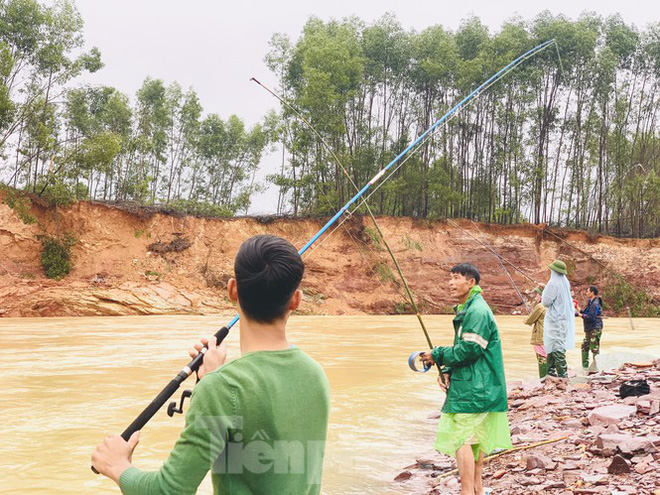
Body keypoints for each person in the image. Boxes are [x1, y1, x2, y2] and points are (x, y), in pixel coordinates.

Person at [92, 235, 330, 494]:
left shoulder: (222, 389)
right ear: (296, 300)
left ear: (232, 290)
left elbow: (169, 490)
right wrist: (212, 379)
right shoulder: (315, 374)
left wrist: (118, 466)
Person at [420, 263, 511, 495]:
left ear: (470, 283)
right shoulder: (471, 308)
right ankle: (477, 489)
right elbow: (468, 349)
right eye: (449, 278)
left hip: (474, 388)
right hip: (481, 384)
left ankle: (466, 492)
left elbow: (470, 349)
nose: (451, 283)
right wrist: (448, 367)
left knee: (462, 439)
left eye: (456, 278)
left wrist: (437, 355)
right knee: (476, 439)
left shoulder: (476, 311)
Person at [541, 260, 576, 379]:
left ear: (554, 271)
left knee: (556, 346)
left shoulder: (553, 283)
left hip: (555, 320)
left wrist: (544, 291)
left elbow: (545, 302)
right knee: (552, 345)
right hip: (563, 320)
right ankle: (551, 374)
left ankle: (562, 376)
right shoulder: (565, 282)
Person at [524, 287, 547, 379]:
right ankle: (549, 378)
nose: (535, 297)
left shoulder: (540, 306)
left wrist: (525, 319)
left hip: (540, 337)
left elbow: (529, 320)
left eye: (537, 294)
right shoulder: (550, 304)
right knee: (548, 357)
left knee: (542, 358)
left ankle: (543, 380)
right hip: (549, 336)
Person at [580, 285, 603, 369]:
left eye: (588, 291)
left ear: (592, 292)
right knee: (584, 347)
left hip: (594, 328)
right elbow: (585, 312)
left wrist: (580, 315)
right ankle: (585, 367)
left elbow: (591, 317)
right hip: (589, 328)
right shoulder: (591, 302)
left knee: (594, 349)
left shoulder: (595, 304)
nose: (586, 293)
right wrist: (577, 309)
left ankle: (596, 368)